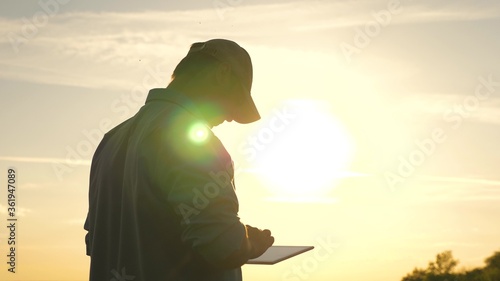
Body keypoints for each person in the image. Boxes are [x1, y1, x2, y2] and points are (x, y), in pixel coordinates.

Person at [84, 39, 274, 281]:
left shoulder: (109, 142)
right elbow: (225, 247)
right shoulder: (195, 143)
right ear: (222, 74)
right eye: (234, 104)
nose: (229, 119)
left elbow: (95, 242)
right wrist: (248, 243)